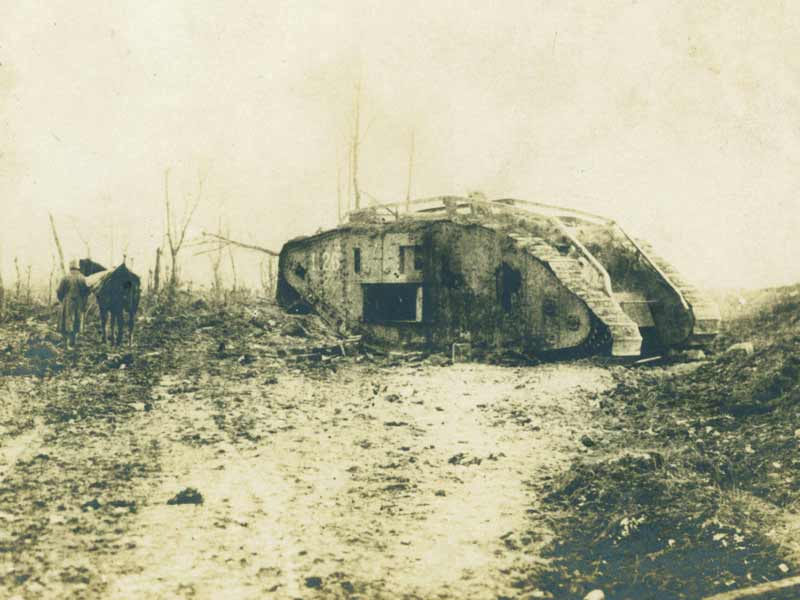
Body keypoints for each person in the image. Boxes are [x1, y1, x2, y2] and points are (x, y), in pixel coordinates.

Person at [57, 260, 90, 348]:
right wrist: (83, 302)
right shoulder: (82, 278)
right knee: (77, 320)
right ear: (78, 268)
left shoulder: (65, 277)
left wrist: (62, 300)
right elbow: (86, 292)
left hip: (68, 301)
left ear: (70, 267)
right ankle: (74, 341)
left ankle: (66, 343)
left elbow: (59, 291)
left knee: (68, 320)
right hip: (79, 302)